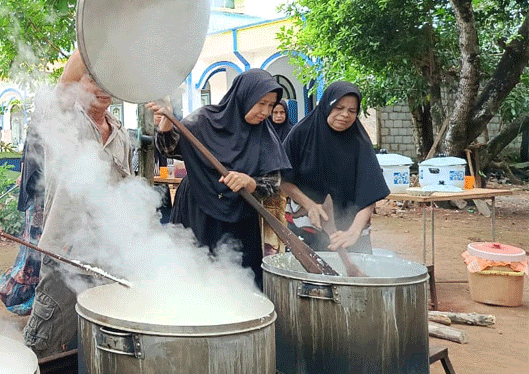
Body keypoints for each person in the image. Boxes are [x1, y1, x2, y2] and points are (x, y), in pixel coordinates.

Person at [22, 50, 132, 358]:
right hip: (65, 248)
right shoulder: (64, 119)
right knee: (46, 337)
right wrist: (99, 32)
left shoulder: (121, 132)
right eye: (93, 80)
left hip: (109, 252)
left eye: (109, 82)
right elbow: (64, 83)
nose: (102, 89)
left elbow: (125, 190)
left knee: (101, 338)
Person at [148, 68, 289, 289]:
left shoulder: (265, 136)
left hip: (240, 215)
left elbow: (273, 184)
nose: (266, 111)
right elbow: (169, 149)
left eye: (271, 105)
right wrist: (166, 126)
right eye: (261, 103)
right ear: (244, 96)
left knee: (238, 279)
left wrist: (249, 182)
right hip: (197, 209)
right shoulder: (205, 119)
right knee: (193, 274)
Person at [280, 81, 390, 254]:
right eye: (338, 108)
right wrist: (309, 205)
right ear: (327, 105)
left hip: (351, 229)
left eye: (352, 111)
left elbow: (371, 191)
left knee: (354, 276)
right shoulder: (301, 134)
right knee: (308, 277)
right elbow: (283, 179)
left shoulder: (359, 142)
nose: (345, 115)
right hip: (305, 226)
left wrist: (354, 231)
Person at [0, 126, 45, 315]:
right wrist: (23, 176)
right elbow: (27, 155)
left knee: (40, 247)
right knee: (34, 246)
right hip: (38, 194)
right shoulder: (40, 125)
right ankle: (24, 293)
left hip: (54, 196)